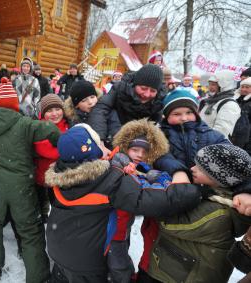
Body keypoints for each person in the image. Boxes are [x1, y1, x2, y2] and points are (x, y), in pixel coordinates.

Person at [45, 124, 201, 283]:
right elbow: (155, 200)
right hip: (87, 261)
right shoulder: (110, 180)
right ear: (93, 150)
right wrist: (189, 189)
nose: (104, 145)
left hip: (58, 249)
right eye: (99, 143)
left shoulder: (59, 175)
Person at [136, 89, 230, 281]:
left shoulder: (212, 136)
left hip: (204, 196)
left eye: (188, 113)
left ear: (196, 113)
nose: (184, 118)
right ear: (166, 115)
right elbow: (160, 155)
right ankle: (149, 271)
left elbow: (235, 160)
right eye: (176, 114)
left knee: (191, 243)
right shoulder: (159, 135)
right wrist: (179, 171)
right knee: (156, 239)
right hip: (172, 193)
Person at [0, 79, 60, 282]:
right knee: (30, 230)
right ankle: (38, 276)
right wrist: (60, 142)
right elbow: (49, 129)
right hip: (22, 186)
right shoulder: (24, 124)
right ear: (15, 104)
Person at [147, 144, 251, 283]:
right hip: (181, 268)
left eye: (201, 169)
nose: (192, 169)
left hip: (183, 275)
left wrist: (174, 193)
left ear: (219, 179)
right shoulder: (214, 194)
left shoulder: (218, 214)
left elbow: (169, 223)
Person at [107, 119, 173, 283]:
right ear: (126, 148)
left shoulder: (142, 168)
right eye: (135, 149)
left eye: (144, 152)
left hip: (123, 227)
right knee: (118, 263)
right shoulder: (118, 165)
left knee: (120, 255)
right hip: (114, 229)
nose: (139, 155)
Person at [88, 64, 165, 147]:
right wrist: (99, 140)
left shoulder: (158, 103)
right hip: (111, 136)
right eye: (143, 88)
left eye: (153, 91)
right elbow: (100, 109)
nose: (147, 94)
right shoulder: (119, 88)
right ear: (135, 84)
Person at [34, 94, 70, 222]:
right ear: (43, 113)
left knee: (58, 201)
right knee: (41, 200)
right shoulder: (39, 127)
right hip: (42, 174)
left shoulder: (68, 124)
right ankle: (42, 217)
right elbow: (43, 148)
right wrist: (66, 148)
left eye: (57, 109)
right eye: (49, 111)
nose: (54, 114)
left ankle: (57, 220)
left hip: (61, 175)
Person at [199, 70, 241, 139]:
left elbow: (221, 132)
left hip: (212, 145)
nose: (210, 87)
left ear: (224, 86)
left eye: (213, 84)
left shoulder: (229, 105)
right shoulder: (211, 101)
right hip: (202, 141)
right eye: (209, 84)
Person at [233, 77, 251, 154]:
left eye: (247, 87)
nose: (243, 89)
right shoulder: (235, 100)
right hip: (235, 136)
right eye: (242, 87)